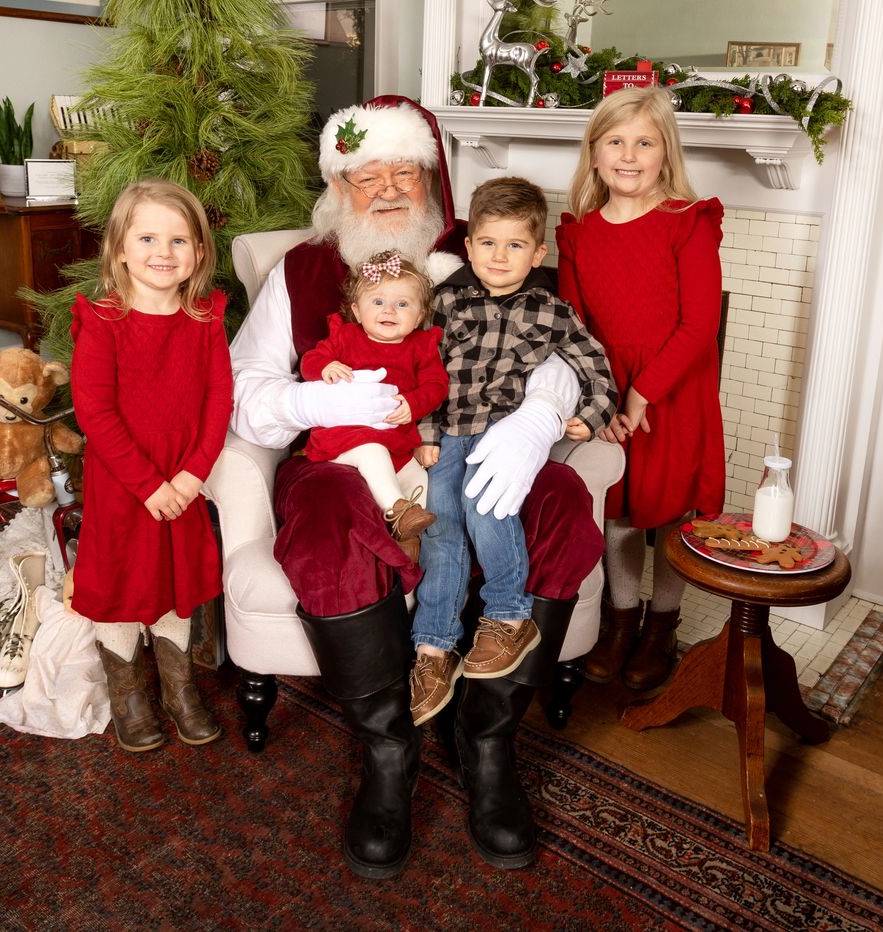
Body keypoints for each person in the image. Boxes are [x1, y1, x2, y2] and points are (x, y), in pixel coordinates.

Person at [229, 97, 604, 879]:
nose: (391, 189)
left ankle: (487, 739)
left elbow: (560, 345)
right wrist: (316, 400)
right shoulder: (301, 271)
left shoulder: (481, 258)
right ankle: (389, 749)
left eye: (407, 171)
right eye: (371, 175)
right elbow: (246, 391)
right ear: (339, 185)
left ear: (432, 182)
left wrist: (539, 415)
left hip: (462, 453)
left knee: (563, 504)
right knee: (328, 518)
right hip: (335, 462)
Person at [409, 177, 617, 726]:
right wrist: (427, 436)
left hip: (503, 434)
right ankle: (434, 649)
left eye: (516, 245)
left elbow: (598, 372)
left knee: (487, 510)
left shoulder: (554, 312)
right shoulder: (446, 302)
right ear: (469, 245)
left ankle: (508, 616)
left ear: (538, 252)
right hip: (450, 431)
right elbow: (423, 375)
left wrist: (587, 419)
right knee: (441, 522)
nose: (499, 256)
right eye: (488, 243)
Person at [557, 86, 726, 691]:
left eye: (645, 142)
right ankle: (621, 621)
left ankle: (663, 625)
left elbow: (699, 325)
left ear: (665, 153)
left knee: (670, 512)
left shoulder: (688, 223)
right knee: (621, 511)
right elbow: (575, 331)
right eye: (616, 141)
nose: (629, 155)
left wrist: (642, 393)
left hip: (673, 390)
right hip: (611, 391)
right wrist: (601, 399)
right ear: (596, 153)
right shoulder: (578, 234)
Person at [69, 178, 232, 753]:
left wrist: (190, 477)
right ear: (119, 249)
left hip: (183, 478)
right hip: (123, 481)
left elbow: (219, 402)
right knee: (122, 581)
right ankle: (128, 694)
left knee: (174, 583)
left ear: (199, 253)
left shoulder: (206, 316)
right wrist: (146, 484)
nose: (163, 252)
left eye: (179, 240)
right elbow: (94, 410)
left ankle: (179, 689)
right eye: (147, 238)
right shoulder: (103, 319)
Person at [299, 250, 448, 555]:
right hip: (347, 441)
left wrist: (414, 401)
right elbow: (310, 361)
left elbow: (437, 385)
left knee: (420, 480)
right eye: (378, 302)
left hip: (399, 445)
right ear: (357, 310)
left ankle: (407, 537)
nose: (389, 310)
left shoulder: (420, 346)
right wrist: (325, 367)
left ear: (419, 316)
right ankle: (398, 510)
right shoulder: (346, 338)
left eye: (402, 304)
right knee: (373, 452)